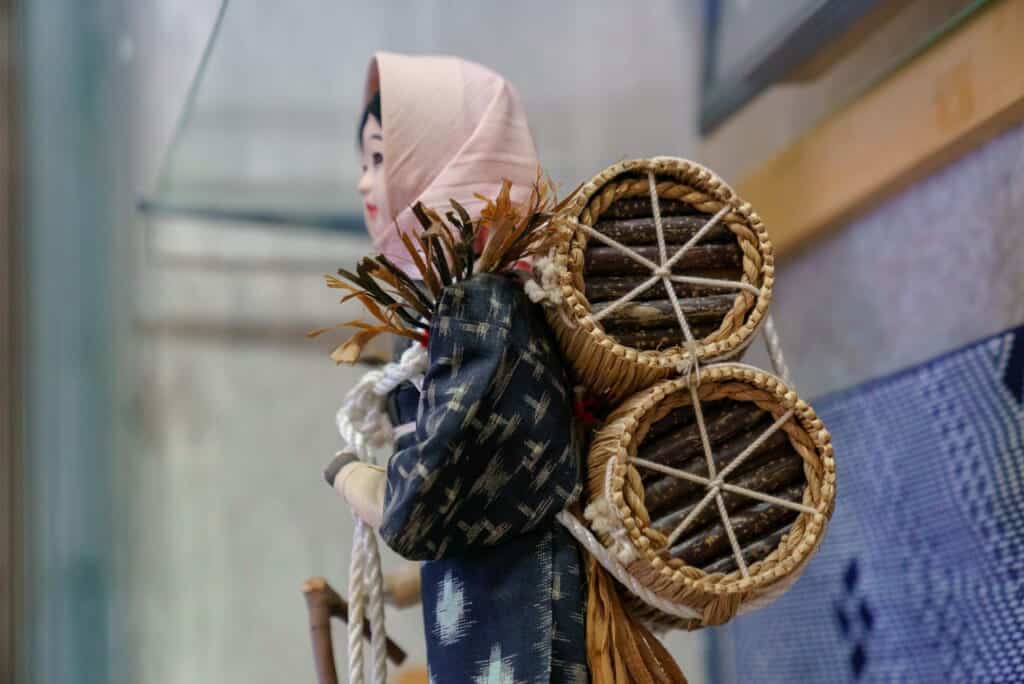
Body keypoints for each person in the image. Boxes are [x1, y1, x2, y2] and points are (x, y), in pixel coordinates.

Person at [324, 52, 589, 683]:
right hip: (486, 609)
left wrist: (354, 477)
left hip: (522, 616)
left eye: (381, 158)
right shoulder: (447, 312)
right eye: (363, 163)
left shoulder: (480, 306)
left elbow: (422, 501)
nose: (364, 183)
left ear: (446, 156)